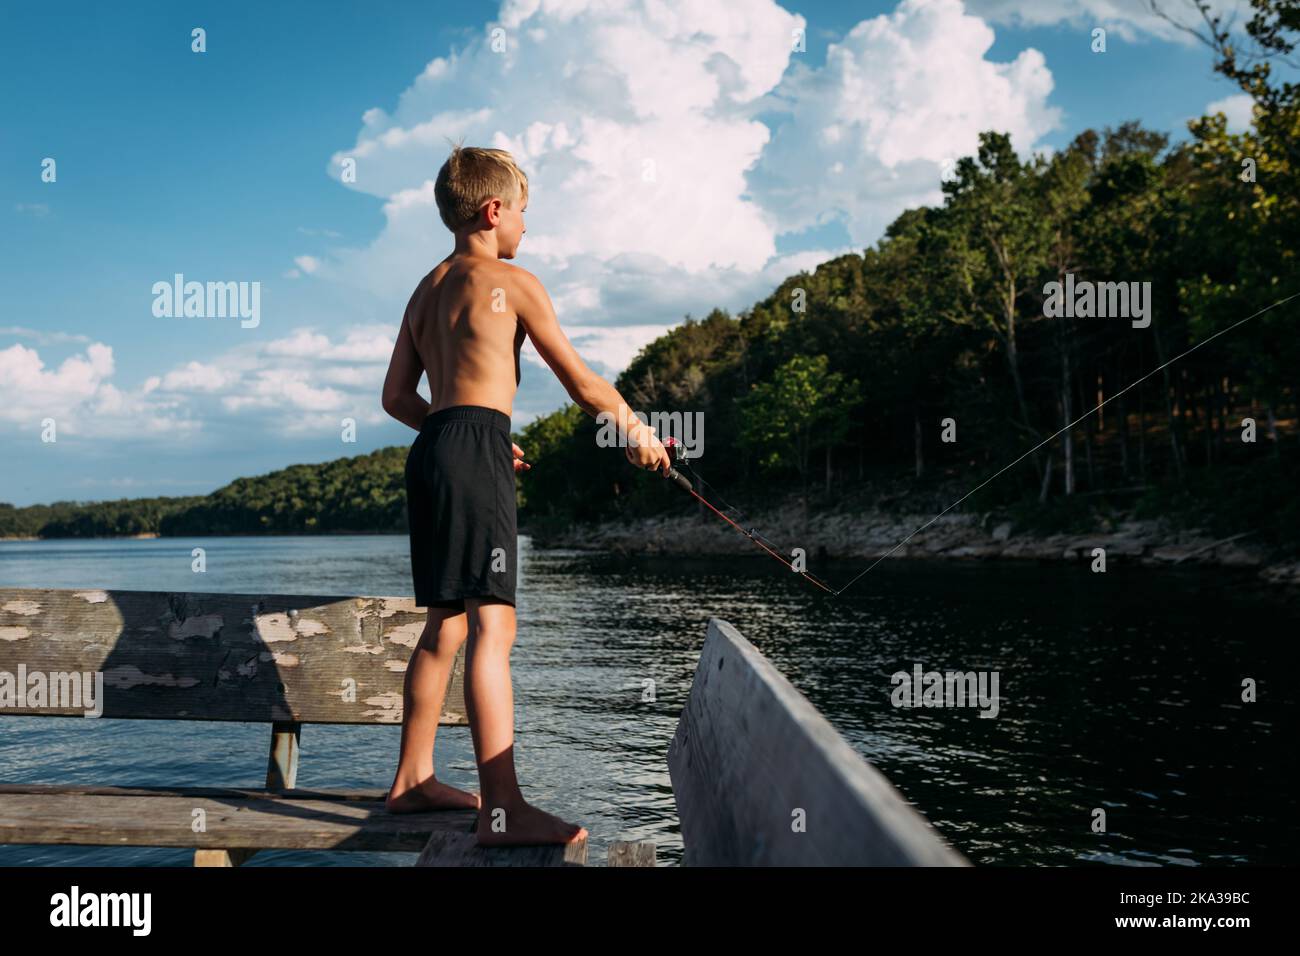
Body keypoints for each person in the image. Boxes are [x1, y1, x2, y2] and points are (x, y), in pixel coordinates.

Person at [379, 145, 671, 846]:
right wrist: (636, 430)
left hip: (434, 450)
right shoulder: (511, 280)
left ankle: (412, 780)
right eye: (524, 214)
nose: (526, 230)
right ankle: (502, 813)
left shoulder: (424, 289)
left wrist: (454, 429)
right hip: (474, 447)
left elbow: (395, 398)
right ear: (493, 211)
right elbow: (581, 380)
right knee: (492, 628)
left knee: (445, 623)